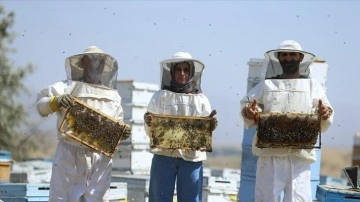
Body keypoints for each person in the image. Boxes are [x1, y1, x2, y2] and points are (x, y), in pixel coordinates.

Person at [240, 40, 334, 202]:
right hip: (270, 155)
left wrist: (325, 113)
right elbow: (247, 105)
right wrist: (249, 112)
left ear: (300, 57)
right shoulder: (267, 85)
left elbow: (326, 111)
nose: (288, 58)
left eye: (292, 54)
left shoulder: (312, 86)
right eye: (284, 54)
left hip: (299, 156)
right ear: (278, 58)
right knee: (266, 199)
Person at [36, 46, 130, 201]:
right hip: (69, 154)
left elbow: (116, 125)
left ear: (104, 66)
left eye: (99, 62)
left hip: (100, 158)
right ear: (83, 63)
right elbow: (41, 106)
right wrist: (55, 101)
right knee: (62, 198)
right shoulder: (66, 86)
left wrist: (122, 133)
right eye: (91, 60)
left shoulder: (113, 95)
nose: (95, 65)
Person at [143, 52, 217, 202]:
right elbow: (150, 130)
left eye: (186, 70)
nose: (182, 74)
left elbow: (205, 132)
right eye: (178, 70)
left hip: (192, 158)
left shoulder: (201, 100)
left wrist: (211, 125)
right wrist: (148, 122)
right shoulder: (160, 97)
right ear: (171, 72)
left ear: (191, 73)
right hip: (164, 156)